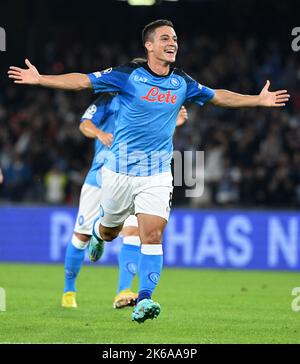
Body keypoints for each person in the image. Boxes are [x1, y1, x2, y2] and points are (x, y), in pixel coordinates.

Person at [8, 19, 290, 323]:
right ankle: (100, 234)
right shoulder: (127, 76)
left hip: (156, 174)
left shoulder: (182, 82)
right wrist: (41, 80)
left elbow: (218, 95)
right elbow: (81, 80)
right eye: (165, 38)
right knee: (110, 230)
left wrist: (257, 100)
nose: (173, 43)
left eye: (176, 39)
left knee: (152, 235)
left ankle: (144, 300)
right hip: (117, 172)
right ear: (150, 45)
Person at [62, 89, 188, 309]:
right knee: (81, 236)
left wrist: (173, 123)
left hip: (133, 177)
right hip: (100, 177)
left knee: (132, 233)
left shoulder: (148, 102)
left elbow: (153, 134)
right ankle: (69, 290)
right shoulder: (108, 100)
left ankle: (122, 291)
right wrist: (100, 133)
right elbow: (84, 124)